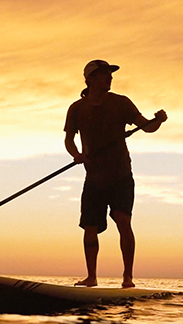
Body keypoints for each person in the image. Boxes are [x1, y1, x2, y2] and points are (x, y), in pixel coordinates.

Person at [64, 60, 167, 288]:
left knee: (123, 221)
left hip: (120, 175)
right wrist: (77, 155)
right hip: (94, 178)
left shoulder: (121, 103)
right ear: (90, 79)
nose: (109, 78)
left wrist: (158, 120)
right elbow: (69, 139)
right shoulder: (76, 109)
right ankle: (91, 278)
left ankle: (127, 278)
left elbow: (147, 127)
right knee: (90, 228)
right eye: (104, 75)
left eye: (110, 75)